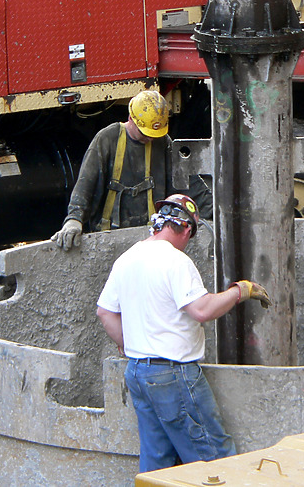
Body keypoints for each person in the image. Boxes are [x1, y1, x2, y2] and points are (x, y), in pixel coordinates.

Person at [95, 194, 272, 472]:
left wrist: (128, 345)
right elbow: (201, 310)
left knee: (158, 463)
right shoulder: (175, 261)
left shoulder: (127, 258)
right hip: (173, 375)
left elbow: (105, 312)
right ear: (187, 229)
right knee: (213, 458)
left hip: (139, 373)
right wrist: (240, 291)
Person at [52, 90, 211, 250]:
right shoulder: (107, 139)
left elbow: (187, 184)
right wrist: (74, 219)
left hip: (149, 237)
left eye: (154, 134)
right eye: (145, 133)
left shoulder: (161, 142)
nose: (150, 138)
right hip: (110, 240)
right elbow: (86, 184)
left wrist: (216, 212)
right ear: (131, 119)